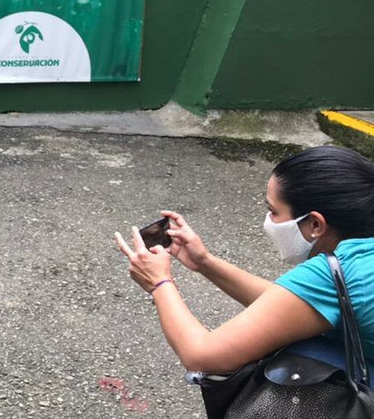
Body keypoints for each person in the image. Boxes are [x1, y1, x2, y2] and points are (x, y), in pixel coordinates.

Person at [114, 145, 374, 374]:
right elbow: (295, 306)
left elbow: (202, 356)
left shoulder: (337, 273)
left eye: (273, 211)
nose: (268, 221)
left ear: (316, 224)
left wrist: (159, 283)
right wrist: (204, 262)